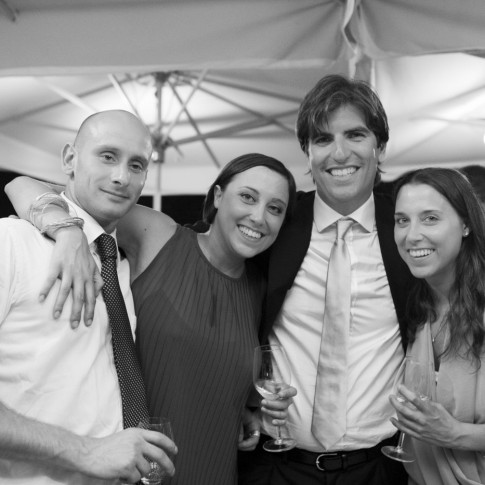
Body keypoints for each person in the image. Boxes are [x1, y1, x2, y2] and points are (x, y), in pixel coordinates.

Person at [6, 153, 298, 485]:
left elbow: (213, 375)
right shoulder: (160, 235)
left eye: (275, 208)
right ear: (218, 196)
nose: (259, 217)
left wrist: (251, 411)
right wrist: (67, 230)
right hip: (139, 474)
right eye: (247, 197)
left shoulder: (261, 290)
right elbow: (22, 186)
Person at [238, 74, 416, 485]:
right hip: (276, 467)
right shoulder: (275, 222)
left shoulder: (406, 231)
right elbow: (195, 245)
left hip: (380, 469)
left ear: (380, 146)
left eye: (355, 134)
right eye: (322, 139)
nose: (339, 153)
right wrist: (80, 228)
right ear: (308, 152)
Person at [0, 110, 176, 485]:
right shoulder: (11, 243)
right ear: (69, 158)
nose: (121, 176)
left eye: (137, 165)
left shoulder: (124, 265)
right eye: (107, 156)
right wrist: (86, 452)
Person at [390, 167, 485, 485]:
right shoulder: (412, 307)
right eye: (402, 220)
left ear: (466, 224)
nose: (411, 235)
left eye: (430, 218)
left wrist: (455, 434)